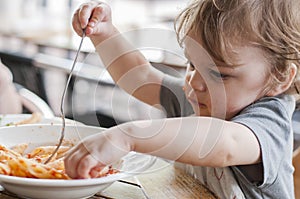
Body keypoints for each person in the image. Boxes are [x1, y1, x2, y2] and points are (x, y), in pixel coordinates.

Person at [65, 0, 300, 198]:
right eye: (192, 64)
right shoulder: (202, 98)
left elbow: (227, 142)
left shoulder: (270, 121)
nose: (194, 82)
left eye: (219, 74)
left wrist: (129, 136)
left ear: (279, 77)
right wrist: (105, 33)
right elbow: (141, 76)